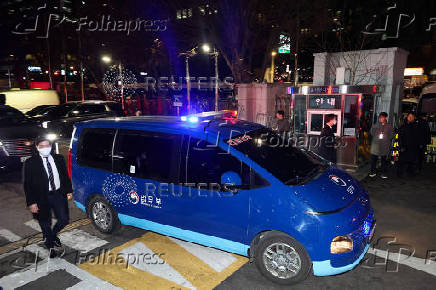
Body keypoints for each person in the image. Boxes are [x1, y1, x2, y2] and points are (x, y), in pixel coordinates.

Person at [23, 136, 73, 258]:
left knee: (64, 219)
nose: (46, 148)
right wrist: (31, 203)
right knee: (45, 222)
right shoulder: (30, 162)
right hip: (41, 197)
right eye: (42, 146)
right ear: (37, 147)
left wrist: (68, 190)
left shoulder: (59, 158)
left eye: (48, 145)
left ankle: (51, 236)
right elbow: (27, 184)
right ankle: (50, 246)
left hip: (58, 194)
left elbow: (65, 176)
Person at [369, 112, 393, 178]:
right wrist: (376, 128)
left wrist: (386, 138)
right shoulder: (375, 125)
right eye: (380, 117)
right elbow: (371, 133)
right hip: (375, 145)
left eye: (382, 117)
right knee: (374, 160)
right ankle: (373, 172)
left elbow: (391, 135)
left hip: (384, 145)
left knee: (383, 160)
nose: (381, 118)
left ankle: (383, 173)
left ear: (386, 118)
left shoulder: (389, 126)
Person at [397, 112, 420, 177]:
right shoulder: (403, 126)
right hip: (404, 146)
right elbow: (400, 137)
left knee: (412, 161)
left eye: (412, 116)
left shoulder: (416, 126)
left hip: (413, 147)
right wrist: (400, 146)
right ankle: (400, 173)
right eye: (409, 116)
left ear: (414, 118)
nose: (410, 118)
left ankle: (410, 173)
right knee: (402, 161)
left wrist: (418, 145)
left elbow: (418, 137)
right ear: (407, 117)